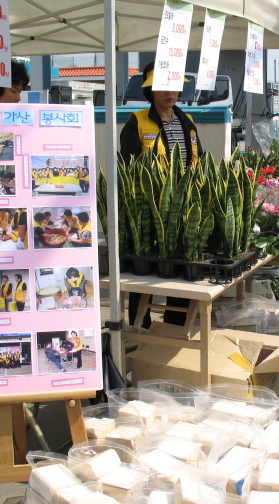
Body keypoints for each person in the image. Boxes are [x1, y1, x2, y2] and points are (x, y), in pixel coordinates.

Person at [120, 61, 203, 328]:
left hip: (182, 208)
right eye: (163, 88)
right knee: (143, 273)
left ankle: (174, 326)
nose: (170, 93)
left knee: (177, 271)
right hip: (148, 208)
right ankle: (139, 326)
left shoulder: (187, 121)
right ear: (151, 91)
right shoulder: (138, 121)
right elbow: (129, 166)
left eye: (174, 88)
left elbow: (196, 160)